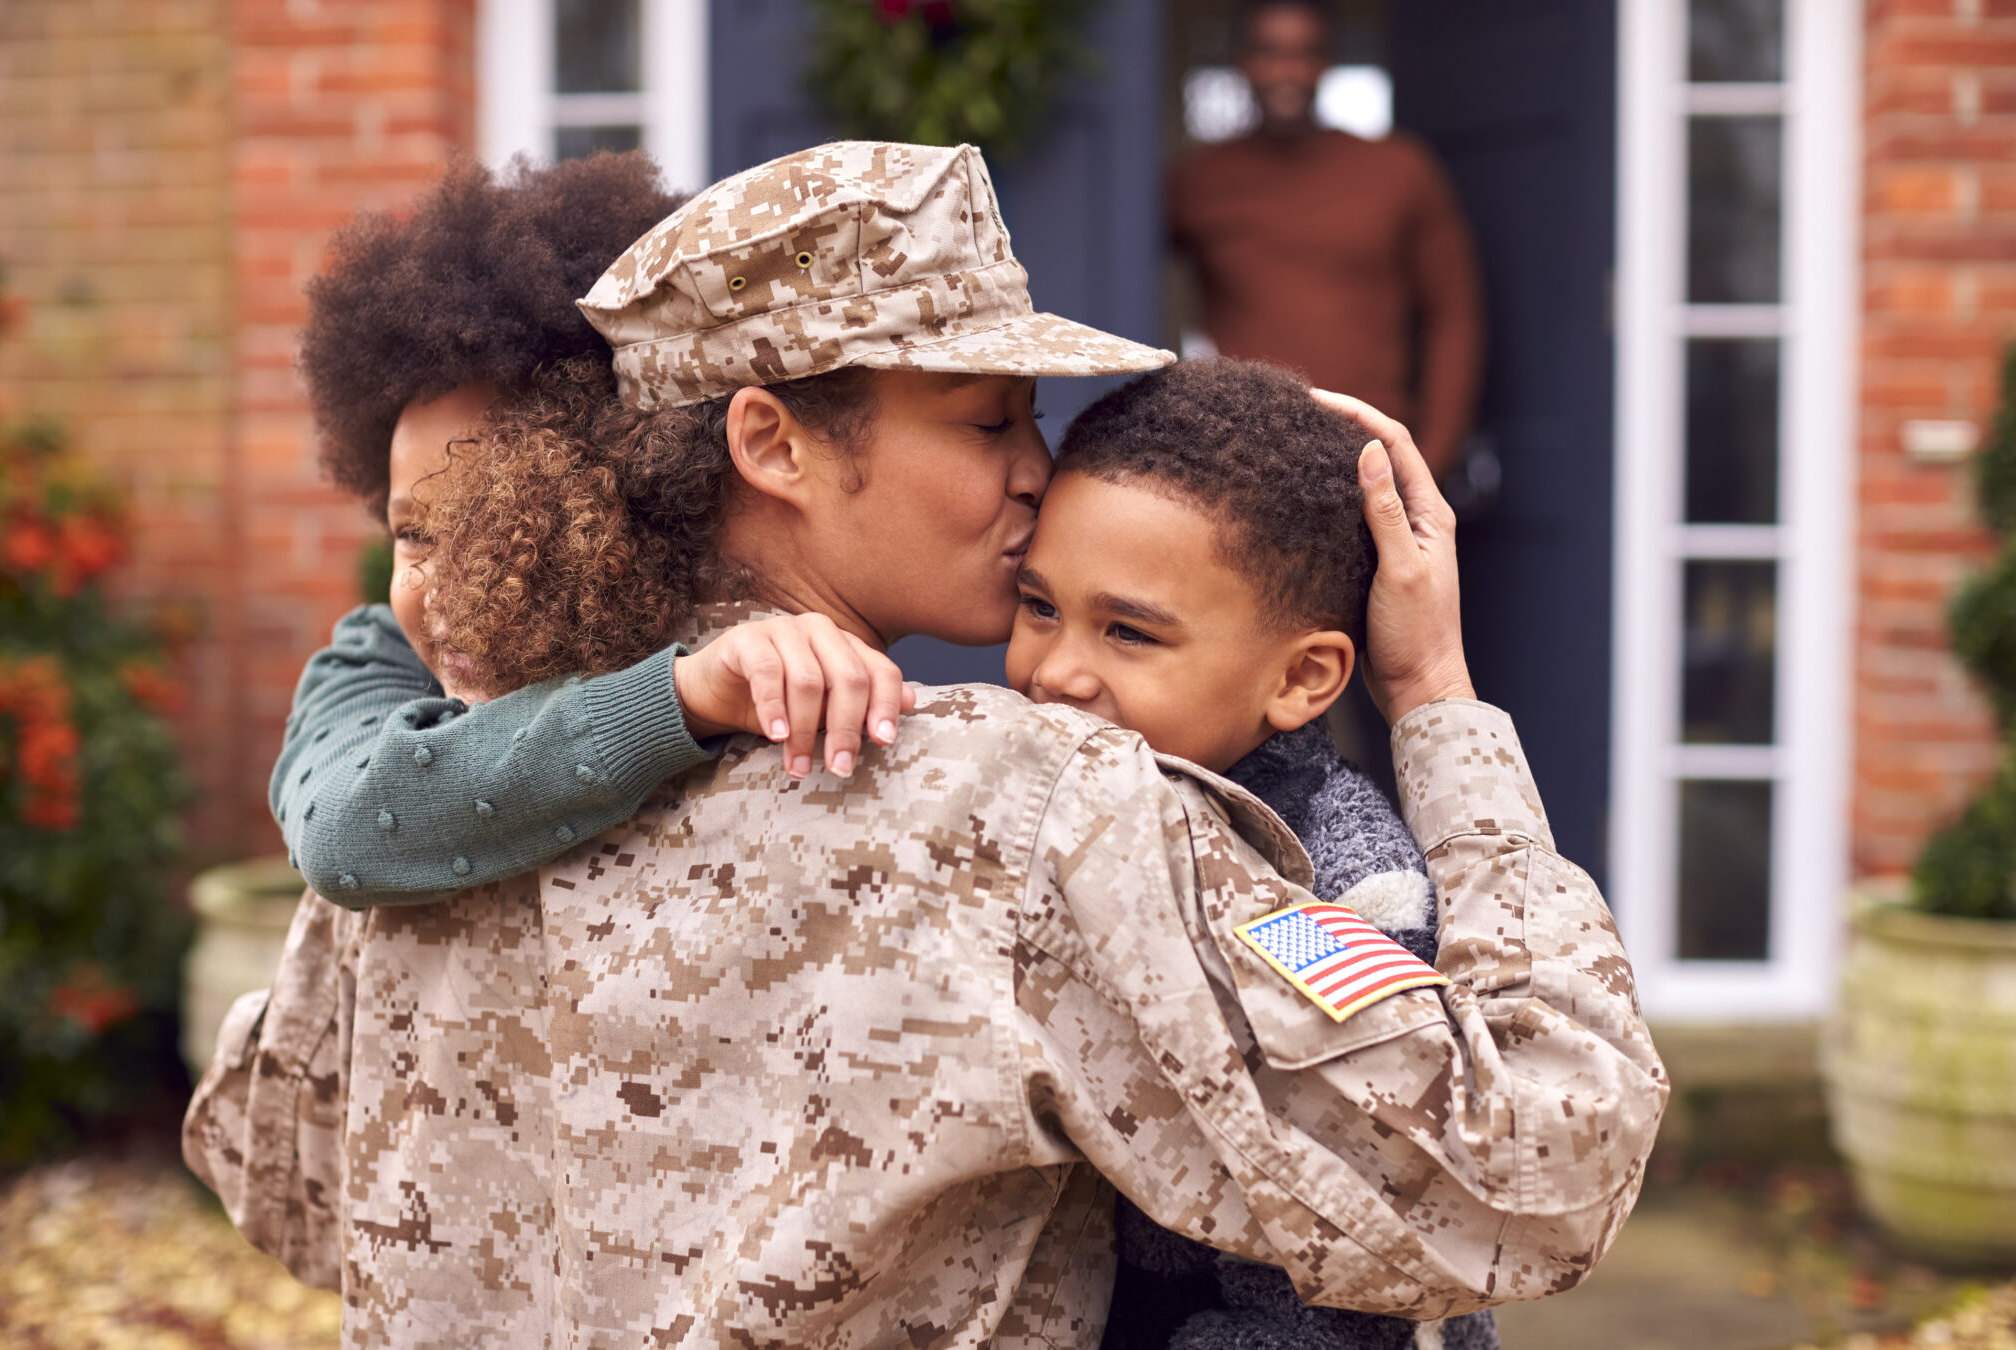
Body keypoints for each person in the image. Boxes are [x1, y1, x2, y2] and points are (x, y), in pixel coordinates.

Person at [306, 141, 1662, 1347]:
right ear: (773, 442)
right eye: (980, 417)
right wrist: (1434, 697)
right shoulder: (1024, 811)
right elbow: (1537, 1163)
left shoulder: (434, 795)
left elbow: (291, 1177)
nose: (1035, 466)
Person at [273, 152, 916, 911]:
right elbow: (343, 830)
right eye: (414, 535)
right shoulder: (371, 658)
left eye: (495, 526)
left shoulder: (684, 624)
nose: (445, 586)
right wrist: (678, 699)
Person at [1005, 358, 1495, 1349]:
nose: (1056, 672)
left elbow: (1335, 1286)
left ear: (1303, 677)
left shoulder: (1345, 894)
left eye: (1129, 634)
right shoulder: (1022, 795)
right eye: (1039, 606)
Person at [1168, 0, 1482, 479]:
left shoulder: (1400, 170)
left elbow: (1455, 316)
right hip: (1244, 463)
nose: (1287, 71)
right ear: (1241, 61)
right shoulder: (1198, 181)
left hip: (1372, 458)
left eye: (1305, 52)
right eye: (1269, 51)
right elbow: (1116, 278)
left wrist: (1430, 460)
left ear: (1327, 63)